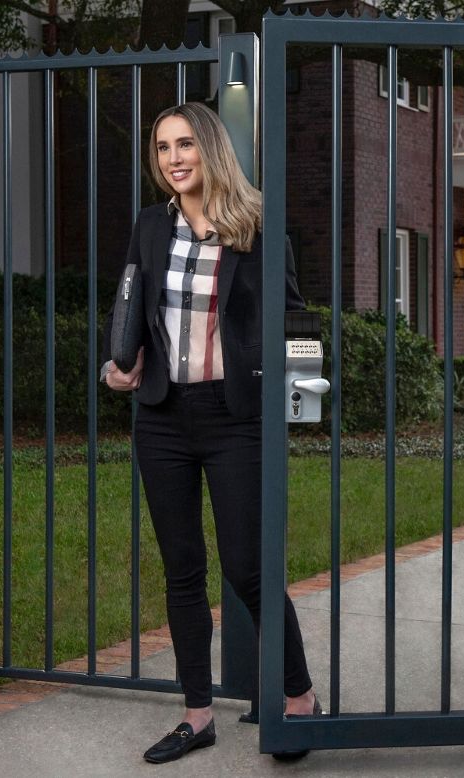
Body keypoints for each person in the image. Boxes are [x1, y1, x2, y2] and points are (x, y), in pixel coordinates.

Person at [101, 102, 320, 764]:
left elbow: (295, 320)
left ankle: (300, 700)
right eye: (163, 147)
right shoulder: (150, 226)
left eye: (185, 144)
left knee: (250, 569)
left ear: (211, 149)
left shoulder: (257, 227)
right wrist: (119, 364)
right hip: (163, 417)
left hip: (235, 419)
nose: (173, 158)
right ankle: (197, 716)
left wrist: (299, 400)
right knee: (183, 570)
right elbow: (132, 308)